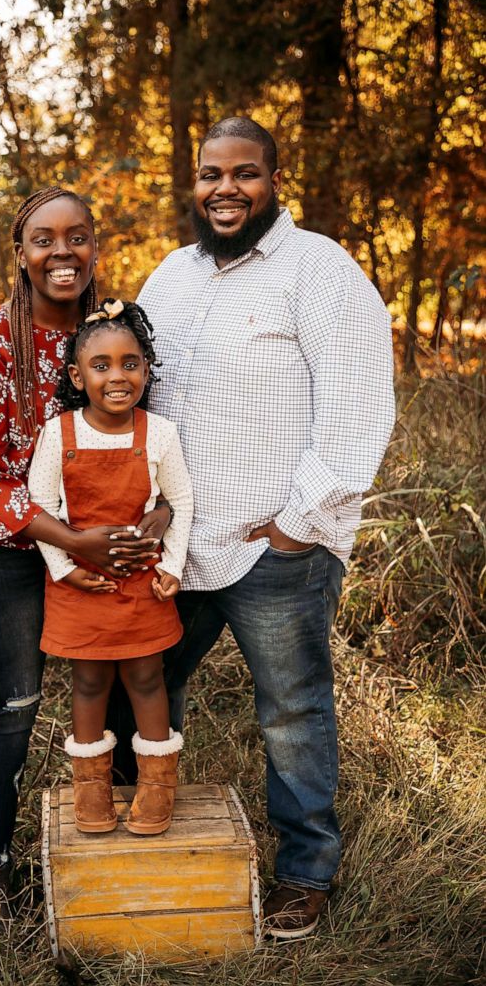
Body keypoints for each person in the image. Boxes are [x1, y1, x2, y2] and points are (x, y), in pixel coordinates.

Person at [135, 116, 396, 939]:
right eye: (211, 172)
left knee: (289, 711)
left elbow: (359, 409)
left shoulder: (319, 270)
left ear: (273, 179)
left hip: (271, 546)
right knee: (139, 687)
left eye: (243, 173)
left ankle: (305, 871)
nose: (224, 189)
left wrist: (296, 524)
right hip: (174, 543)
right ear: (194, 179)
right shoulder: (169, 277)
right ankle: (135, 841)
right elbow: (130, 393)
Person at [0, 187, 171, 921]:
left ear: (94, 247)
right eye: (43, 239)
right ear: (22, 253)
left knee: (121, 678)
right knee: (13, 702)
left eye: (76, 237)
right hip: (0, 549)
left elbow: (156, 440)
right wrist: (72, 542)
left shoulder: (109, 338)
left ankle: (127, 828)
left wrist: (160, 514)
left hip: (99, 550)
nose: (61, 252)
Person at [28, 298, 193, 836]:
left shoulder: (159, 433)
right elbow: (40, 509)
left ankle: (156, 786)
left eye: (130, 363)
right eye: (101, 366)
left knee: (148, 678)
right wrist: (62, 567)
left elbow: (180, 501)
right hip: (82, 583)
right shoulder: (60, 434)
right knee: (90, 678)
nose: (117, 376)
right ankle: (92, 787)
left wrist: (172, 564)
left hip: (143, 585)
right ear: (78, 376)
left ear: (147, 368)